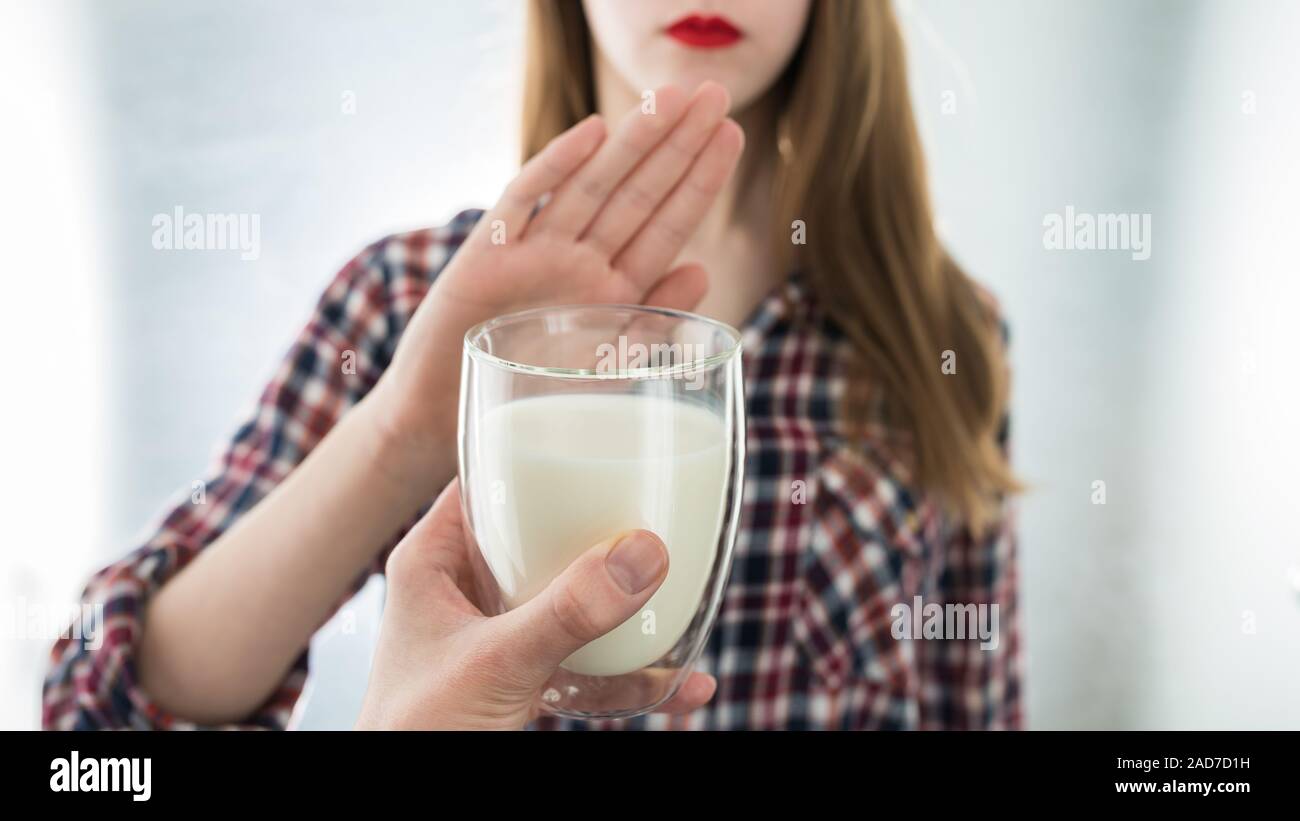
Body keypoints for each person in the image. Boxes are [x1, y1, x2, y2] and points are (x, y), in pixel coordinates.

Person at [44, 0, 1022, 731]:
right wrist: (407, 429)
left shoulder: (941, 332)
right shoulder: (411, 297)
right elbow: (101, 715)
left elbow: (974, 697)